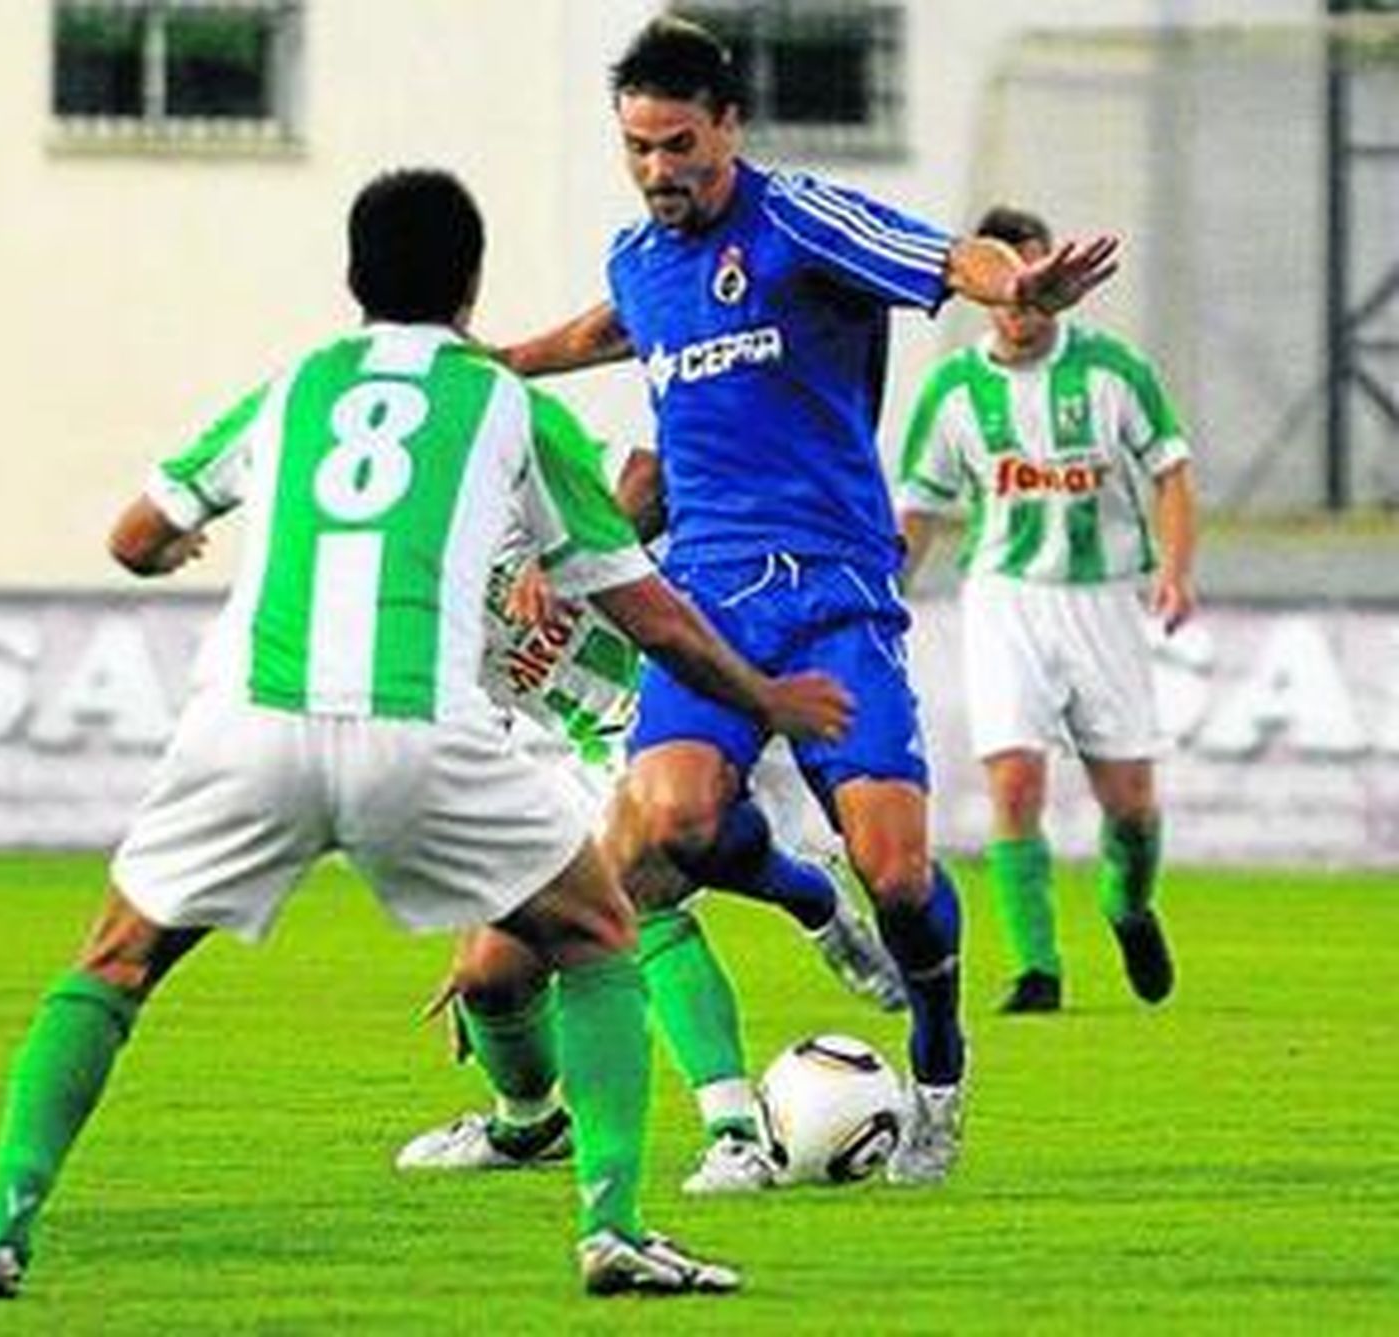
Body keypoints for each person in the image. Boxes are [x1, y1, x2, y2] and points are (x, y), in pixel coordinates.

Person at [0, 168, 856, 1301]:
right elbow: (645, 605)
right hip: (422, 734)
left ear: (350, 280)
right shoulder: (510, 405)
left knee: (114, 963)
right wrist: (762, 696)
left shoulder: (293, 387)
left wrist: (173, 552)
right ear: (472, 283)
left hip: (252, 728)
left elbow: (135, 536)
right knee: (603, 935)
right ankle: (612, 1224)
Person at [421, 16, 1121, 1192]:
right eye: (637, 147)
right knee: (676, 823)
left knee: (899, 873)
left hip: (838, 595)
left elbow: (947, 257)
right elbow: (615, 326)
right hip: (706, 598)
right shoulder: (642, 259)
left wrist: (1017, 284)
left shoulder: (798, 219)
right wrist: (493, 361)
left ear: (728, 127)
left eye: (678, 144)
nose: (658, 170)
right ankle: (797, 917)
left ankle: (938, 1063)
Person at [392, 515, 904, 1181]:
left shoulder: (506, 484)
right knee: (490, 975)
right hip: (578, 758)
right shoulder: (410, 634)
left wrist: (559, 556)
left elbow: (644, 475)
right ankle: (529, 1126)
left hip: (681, 699)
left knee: (634, 896)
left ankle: (735, 1136)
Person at [897, 205, 1195, 1015]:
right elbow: (919, 503)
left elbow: (1170, 470)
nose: (1020, 311)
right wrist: (883, 597)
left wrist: (1176, 570)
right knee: (1016, 780)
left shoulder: (1113, 372)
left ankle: (1128, 904)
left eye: (1036, 294)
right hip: (1004, 600)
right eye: (1008, 295)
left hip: (1101, 598)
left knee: (1130, 802)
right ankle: (1036, 968)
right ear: (985, 291)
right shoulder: (954, 390)